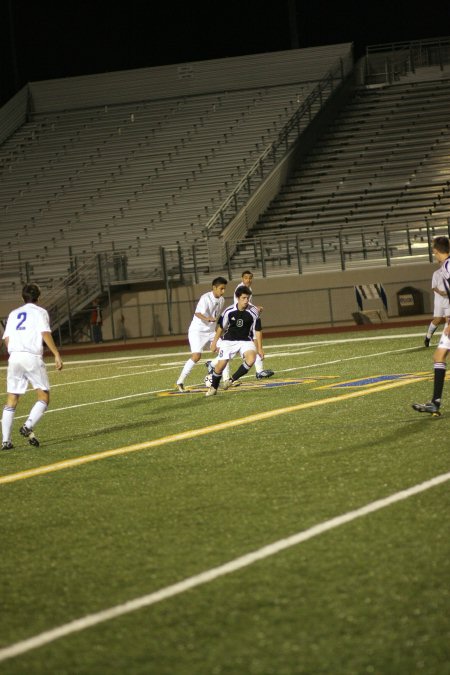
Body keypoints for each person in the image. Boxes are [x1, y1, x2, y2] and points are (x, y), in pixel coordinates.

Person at [1, 283, 63, 450]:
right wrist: (56, 354)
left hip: (14, 357)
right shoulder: (40, 312)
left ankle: (6, 441)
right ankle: (27, 426)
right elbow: (45, 333)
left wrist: (15, 351)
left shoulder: (14, 313)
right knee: (43, 397)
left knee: (11, 400)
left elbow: (6, 338)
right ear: (38, 297)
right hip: (31, 357)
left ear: (22, 298)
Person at [207, 270, 274, 380]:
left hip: (246, 319)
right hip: (239, 321)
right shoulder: (240, 289)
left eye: (250, 278)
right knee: (245, 344)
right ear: (242, 278)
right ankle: (215, 366)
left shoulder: (248, 289)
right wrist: (255, 308)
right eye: (246, 278)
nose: (248, 280)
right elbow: (241, 304)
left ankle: (258, 370)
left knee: (250, 344)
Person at [413, 236, 450, 416]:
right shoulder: (445, 267)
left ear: (436, 249)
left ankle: (435, 402)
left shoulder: (449, 266)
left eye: (433, 249)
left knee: (439, 356)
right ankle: (435, 403)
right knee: (438, 356)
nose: (433, 252)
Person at [205, 285, 264, 396]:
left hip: (246, 341)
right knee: (220, 366)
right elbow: (221, 328)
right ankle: (213, 388)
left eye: (248, 298)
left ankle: (231, 381)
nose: (246, 301)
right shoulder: (229, 311)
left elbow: (258, 330)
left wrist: (260, 348)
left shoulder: (254, 312)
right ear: (237, 298)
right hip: (229, 341)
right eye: (244, 298)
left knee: (251, 359)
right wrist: (214, 343)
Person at [176, 277, 227, 392]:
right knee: (196, 356)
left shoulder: (222, 300)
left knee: (225, 351)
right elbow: (197, 313)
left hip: (211, 331)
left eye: (224, 289)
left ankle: (224, 379)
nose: (223, 291)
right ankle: (180, 381)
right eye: (221, 289)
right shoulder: (205, 298)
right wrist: (207, 318)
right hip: (197, 331)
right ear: (214, 287)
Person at [423, 264, 450, 347]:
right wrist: (441, 292)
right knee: (437, 320)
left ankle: (446, 341)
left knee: (448, 320)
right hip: (439, 301)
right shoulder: (436, 273)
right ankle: (427, 338)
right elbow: (434, 287)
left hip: (448, 300)